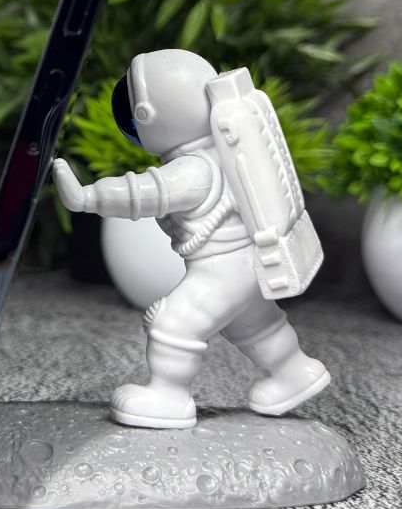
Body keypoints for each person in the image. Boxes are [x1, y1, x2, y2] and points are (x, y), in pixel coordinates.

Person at [52, 49, 330, 429]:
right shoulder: (219, 153)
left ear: (147, 115)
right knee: (254, 324)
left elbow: (142, 192)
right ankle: (294, 372)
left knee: (173, 324)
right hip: (244, 265)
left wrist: (86, 197)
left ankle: (168, 396)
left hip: (223, 269)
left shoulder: (193, 170)